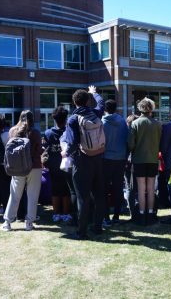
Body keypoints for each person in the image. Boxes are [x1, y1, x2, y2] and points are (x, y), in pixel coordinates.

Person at [62, 86, 106, 240]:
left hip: (82, 161)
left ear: (74, 102)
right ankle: (98, 227)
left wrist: (65, 153)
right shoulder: (95, 113)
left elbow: (73, 142)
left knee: (82, 197)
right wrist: (94, 93)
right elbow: (102, 104)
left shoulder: (73, 119)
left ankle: (82, 232)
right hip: (98, 158)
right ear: (88, 101)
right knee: (99, 194)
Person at [1, 111, 43, 231]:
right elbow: (39, 150)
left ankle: (7, 222)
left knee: (14, 195)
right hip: (34, 166)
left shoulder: (12, 131)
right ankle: (29, 223)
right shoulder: (35, 132)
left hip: (17, 167)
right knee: (32, 196)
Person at [128, 98, 162, 226]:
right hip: (153, 159)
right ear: (151, 108)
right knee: (151, 188)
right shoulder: (158, 124)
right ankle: (151, 214)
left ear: (140, 108)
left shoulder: (135, 123)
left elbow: (130, 144)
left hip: (139, 160)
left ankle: (142, 215)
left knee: (141, 189)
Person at [43, 106, 73, 224]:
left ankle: (56, 214)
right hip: (67, 165)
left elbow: (45, 150)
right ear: (66, 119)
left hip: (53, 166)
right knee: (66, 190)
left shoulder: (48, 133)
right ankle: (66, 214)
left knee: (55, 190)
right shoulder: (69, 132)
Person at [102, 99, 128, 225]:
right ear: (116, 108)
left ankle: (106, 217)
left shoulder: (102, 122)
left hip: (106, 158)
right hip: (120, 158)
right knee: (118, 188)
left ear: (105, 109)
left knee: (104, 189)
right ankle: (116, 216)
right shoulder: (123, 121)